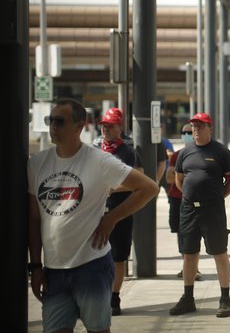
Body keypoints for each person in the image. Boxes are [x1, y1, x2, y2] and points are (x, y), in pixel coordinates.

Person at [27, 98, 158, 333]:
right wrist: (35, 266)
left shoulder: (99, 161)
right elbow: (34, 220)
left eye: (60, 121)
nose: (53, 127)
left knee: (97, 329)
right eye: (50, 120)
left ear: (79, 127)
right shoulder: (37, 164)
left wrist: (112, 218)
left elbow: (149, 188)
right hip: (54, 270)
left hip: (92, 266)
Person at [169, 112, 230, 317]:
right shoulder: (185, 152)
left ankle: (225, 298)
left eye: (200, 126)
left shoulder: (220, 151)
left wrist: (218, 196)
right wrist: (190, 197)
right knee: (189, 253)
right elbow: (179, 179)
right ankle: (188, 298)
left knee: (219, 253)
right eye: (194, 127)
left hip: (213, 209)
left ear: (210, 128)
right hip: (189, 209)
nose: (196, 130)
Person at [92, 107, 143, 316]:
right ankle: (97, 295)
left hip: (121, 210)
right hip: (95, 211)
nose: (105, 130)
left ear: (119, 128)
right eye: (103, 126)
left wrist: (111, 187)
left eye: (110, 126)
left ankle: (114, 296)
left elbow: (139, 179)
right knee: (95, 254)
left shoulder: (128, 152)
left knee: (119, 257)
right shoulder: (95, 149)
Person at [166, 123, 202, 281]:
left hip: (194, 200)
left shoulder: (200, 154)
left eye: (189, 132)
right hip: (176, 198)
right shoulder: (177, 155)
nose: (187, 134)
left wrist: (181, 176)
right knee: (181, 233)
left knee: (194, 233)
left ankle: (195, 268)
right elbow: (169, 178)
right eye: (184, 132)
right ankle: (186, 265)